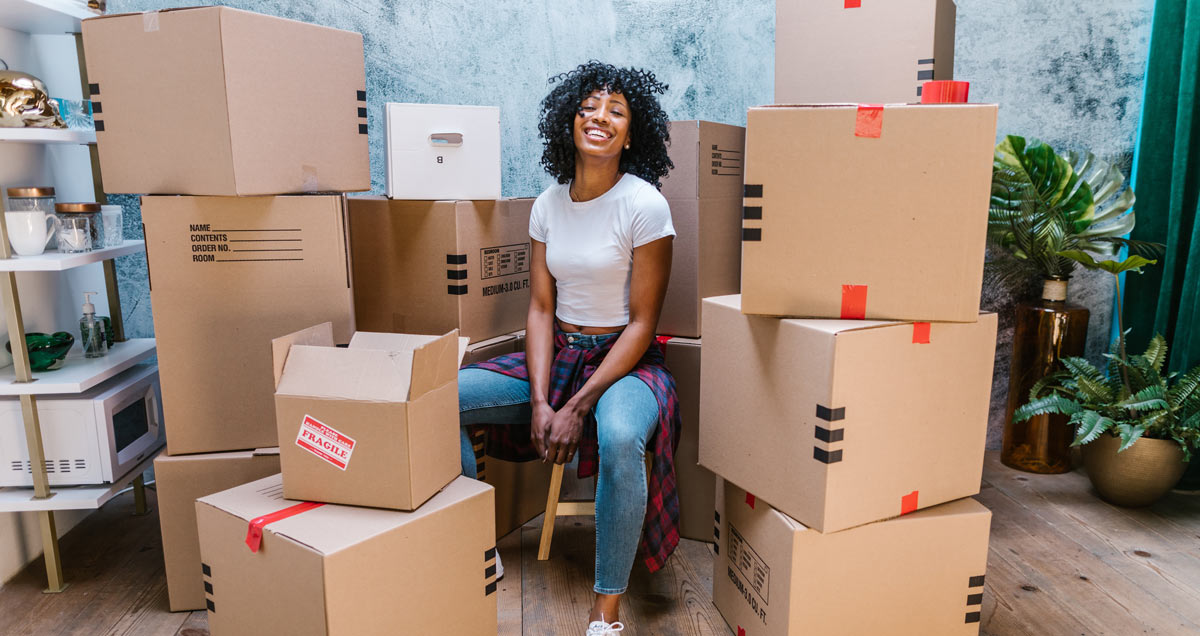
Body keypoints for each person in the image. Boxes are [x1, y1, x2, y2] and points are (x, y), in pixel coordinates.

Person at [457, 60, 682, 635]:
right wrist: (539, 402)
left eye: (616, 111)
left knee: (621, 434)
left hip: (626, 363)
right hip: (560, 352)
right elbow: (538, 308)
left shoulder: (646, 205)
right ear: (569, 121)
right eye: (588, 106)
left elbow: (642, 323)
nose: (599, 117)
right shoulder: (547, 204)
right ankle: (471, 550)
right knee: (442, 396)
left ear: (632, 134)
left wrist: (578, 405)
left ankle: (606, 610)